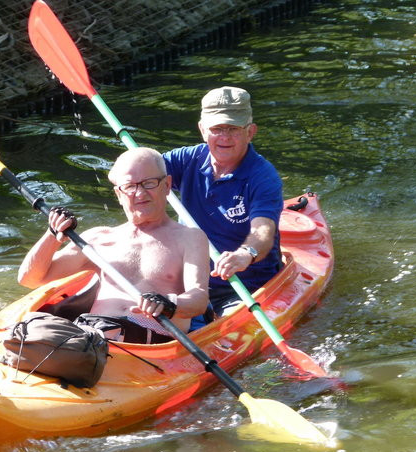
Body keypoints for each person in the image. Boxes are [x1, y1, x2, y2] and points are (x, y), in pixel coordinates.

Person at [18, 147, 210, 344]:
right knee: (28, 327)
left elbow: (199, 299)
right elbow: (30, 278)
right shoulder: (98, 239)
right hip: (93, 335)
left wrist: (170, 303)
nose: (140, 193)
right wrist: (51, 235)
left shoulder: (189, 237)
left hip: (151, 340)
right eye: (129, 186)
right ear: (119, 194)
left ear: (167, 185)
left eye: (149, 183)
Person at [162, 86, 284, 316]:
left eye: (234, 129)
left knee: (229, 320)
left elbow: (264, 231)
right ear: (202, 129)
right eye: (217, 129)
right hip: (188, 281)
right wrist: (135, 171)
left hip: (242, 287)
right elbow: (140, 171)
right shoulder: (186, 159)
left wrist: (245, 254)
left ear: (250, 132)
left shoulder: (263, 176)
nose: (225, 137)